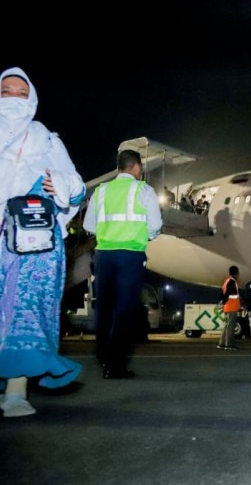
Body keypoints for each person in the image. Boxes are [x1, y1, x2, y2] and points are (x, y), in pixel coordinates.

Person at [0, 68, 87, 416]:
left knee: (23, 311)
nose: (14, 98)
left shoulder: (46, 141)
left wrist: (61, 184)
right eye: (7, 90)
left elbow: (77, 188)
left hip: (33, 245)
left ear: (32, 100)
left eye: (21, 92)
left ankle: (16, 390)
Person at [84, 148, 162, 379]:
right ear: (136, 167)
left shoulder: (101, 190)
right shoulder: (144, 190)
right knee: (124, 310)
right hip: (130, 255)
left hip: (104, 255)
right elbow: (155, 224)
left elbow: (89, 226)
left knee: (104, 308)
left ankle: (103, 357)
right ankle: (116, 365)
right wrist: (146, 236)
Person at [217, 265, 241, 350]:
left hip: (228, 307)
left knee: (226, 325)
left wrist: (222, 303)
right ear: (236, 273)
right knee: (231, 326)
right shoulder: (232, 281)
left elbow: (223, 294)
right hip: (232, 307)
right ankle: (229, 344)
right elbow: (228, 294)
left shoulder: (227, 281)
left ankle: (222, 343)